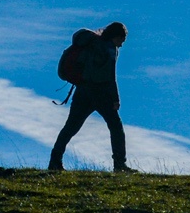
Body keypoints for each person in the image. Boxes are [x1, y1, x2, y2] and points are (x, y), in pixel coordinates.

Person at [49, 21, 133, 172]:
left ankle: (54, 162)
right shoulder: (109, 49)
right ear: (116, 36)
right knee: (116, 128)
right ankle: (119, 165)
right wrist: (115, 99)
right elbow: (110, 76)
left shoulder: (93, 44)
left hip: (82, 91)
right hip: (100, 93)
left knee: (70, 127)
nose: (121, 45)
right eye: (122, 40)